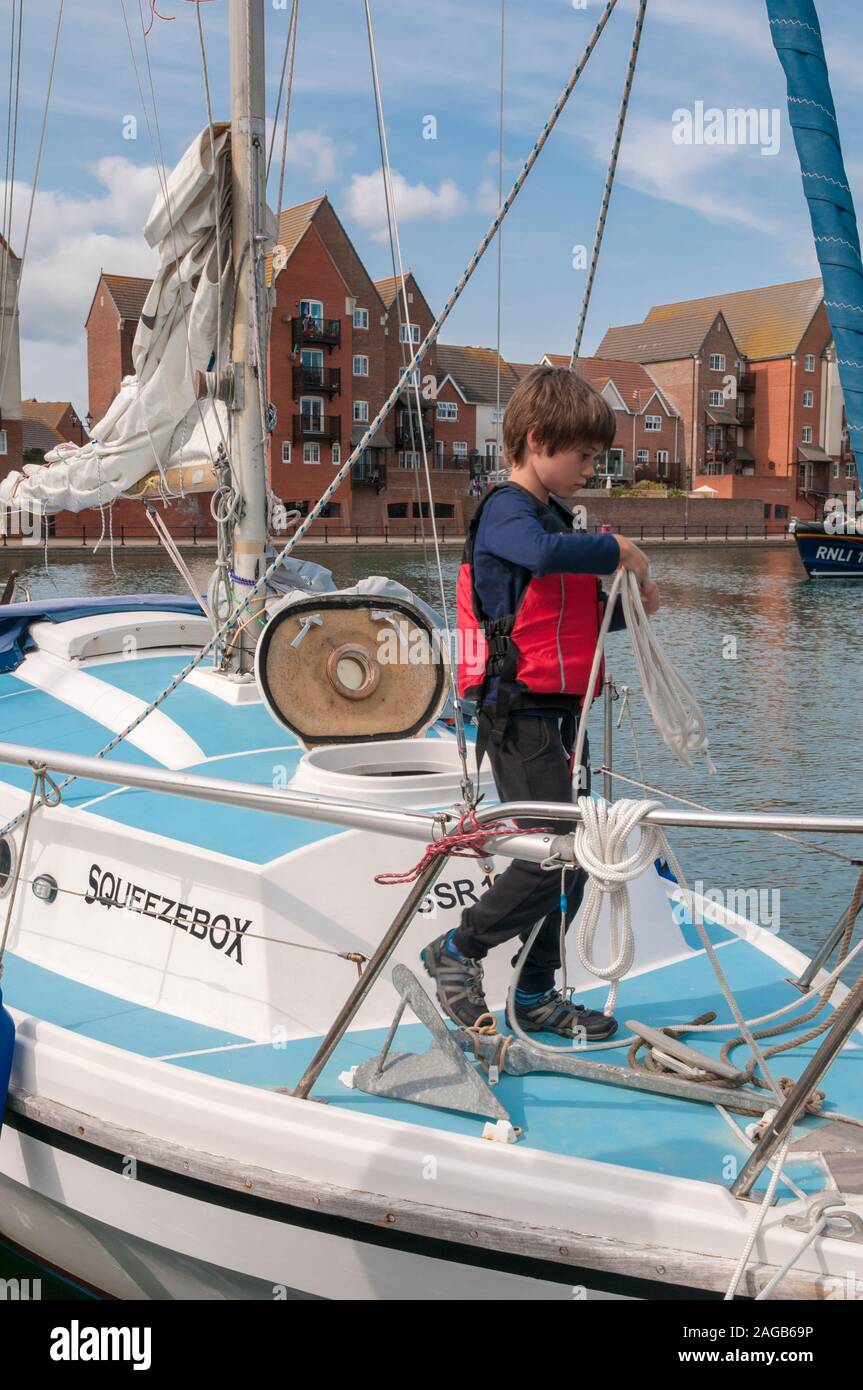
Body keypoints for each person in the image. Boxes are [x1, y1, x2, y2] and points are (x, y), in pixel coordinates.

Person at [421, 366, 660, 1040]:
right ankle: (456, 951)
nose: (591, 466)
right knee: (551, 850)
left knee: (578, 856)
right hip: (519, 712)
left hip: (563, 714)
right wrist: (617, 548)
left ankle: (533, 994)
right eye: (582, 454)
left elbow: (568, 619)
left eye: (595, 455)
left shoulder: (554, 520)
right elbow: (536, 554)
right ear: (535, 439)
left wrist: (632, 607)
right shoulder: (507, 511)